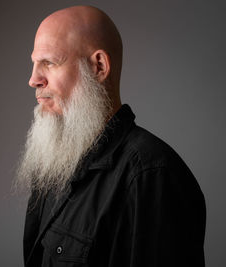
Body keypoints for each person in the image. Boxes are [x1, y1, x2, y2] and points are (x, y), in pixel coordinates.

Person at [15, 5, 206, 267]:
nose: (33, 79)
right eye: (34, 64)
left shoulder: (152, 175)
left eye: (49, 63)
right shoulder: (53, 168)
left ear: (99, 66)